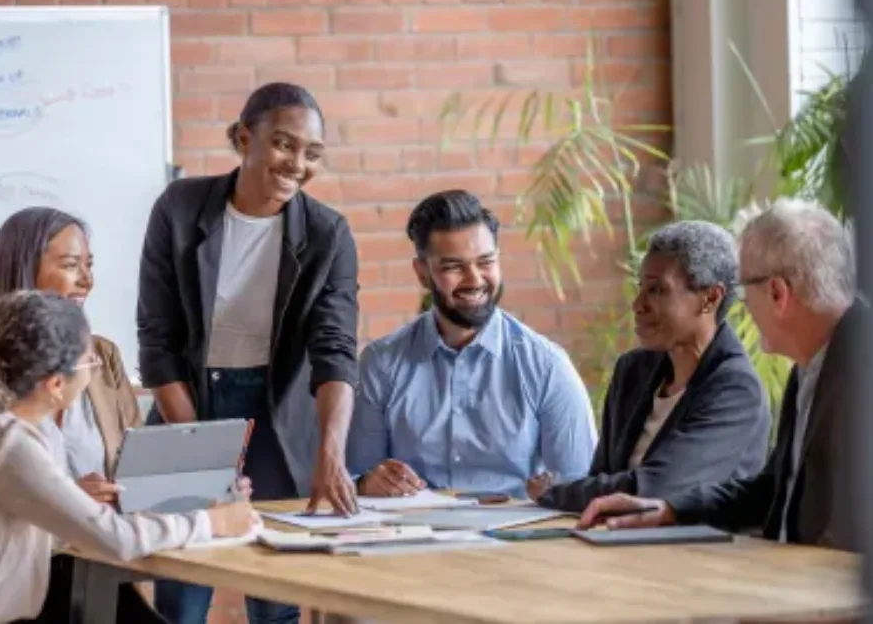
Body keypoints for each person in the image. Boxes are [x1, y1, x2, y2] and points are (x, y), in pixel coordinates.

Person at [138, 82, 359, 624]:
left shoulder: (329, 235)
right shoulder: (180, 208)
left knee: (275, 595)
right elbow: (157, 339)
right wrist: (198, 448)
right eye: (284, 144)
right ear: (243, 138)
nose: (297, 164)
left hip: (277, 415)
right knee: (180, 597)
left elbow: (334, 350)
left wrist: (330, 450)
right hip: (185, 405)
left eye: (312, 153)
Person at [0, 290, 259, 623]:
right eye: (91, 364)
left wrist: (73, 503)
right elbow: (118, 540)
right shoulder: (8, 443)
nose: (96, 372)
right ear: (56, 384)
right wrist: (211, 522)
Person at [579, 199, 863, 551]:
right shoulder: (810, 365)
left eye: (744, 290)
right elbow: (772, 490)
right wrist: (670, 509)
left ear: (777, 293)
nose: (739, 306)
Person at [0, 207, 200, 624]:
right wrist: (67, 496)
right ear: (26, 273)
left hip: (91, 568)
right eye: (69, 265)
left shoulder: (101, 357)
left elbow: (136, 470)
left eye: (89, 265)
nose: (86, 280)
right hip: (26, 586)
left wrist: (204, 489)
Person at [347, 190, 596, 499]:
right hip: (413, 538)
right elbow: (357, 476)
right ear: (422, 273)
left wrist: (557, 494)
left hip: (514, 541)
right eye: (453, 267)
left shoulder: (547, 366)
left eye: (485, 262)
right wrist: (368, 483)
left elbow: (581, 489)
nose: (474, 279)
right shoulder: (381, 364)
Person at [529, 221, 771, 513]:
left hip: (695, 552)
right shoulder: (632, 370)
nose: (638, 304)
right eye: (641, 287)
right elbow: (601, 477)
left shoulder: (736, 389)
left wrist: (557, 492)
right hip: (614, 538)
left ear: (710, 298)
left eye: (657, 290)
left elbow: (657, 487)